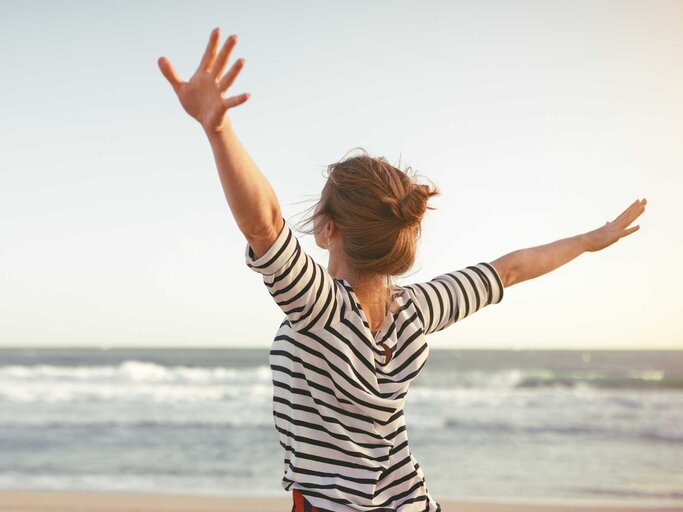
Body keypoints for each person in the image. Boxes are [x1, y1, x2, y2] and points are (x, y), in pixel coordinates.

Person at [158, 28, 647, 512]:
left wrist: (218, 130)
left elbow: (264, 226)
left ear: (328, 230)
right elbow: (510, 270)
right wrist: (588, 240)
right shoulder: (418, 310)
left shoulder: (320, 308)